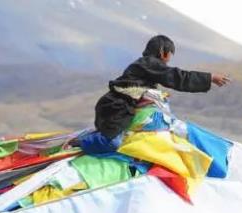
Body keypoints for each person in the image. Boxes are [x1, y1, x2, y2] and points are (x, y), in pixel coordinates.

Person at [85, 35, 230, 153]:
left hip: (116, 107)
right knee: (112, 144)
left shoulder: (145, 65)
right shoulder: (149, 63)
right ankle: (81, 141)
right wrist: (209, 77)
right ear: (162, 52)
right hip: (116, 108)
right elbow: (176, 77)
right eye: (169, 55)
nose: (168, 60)